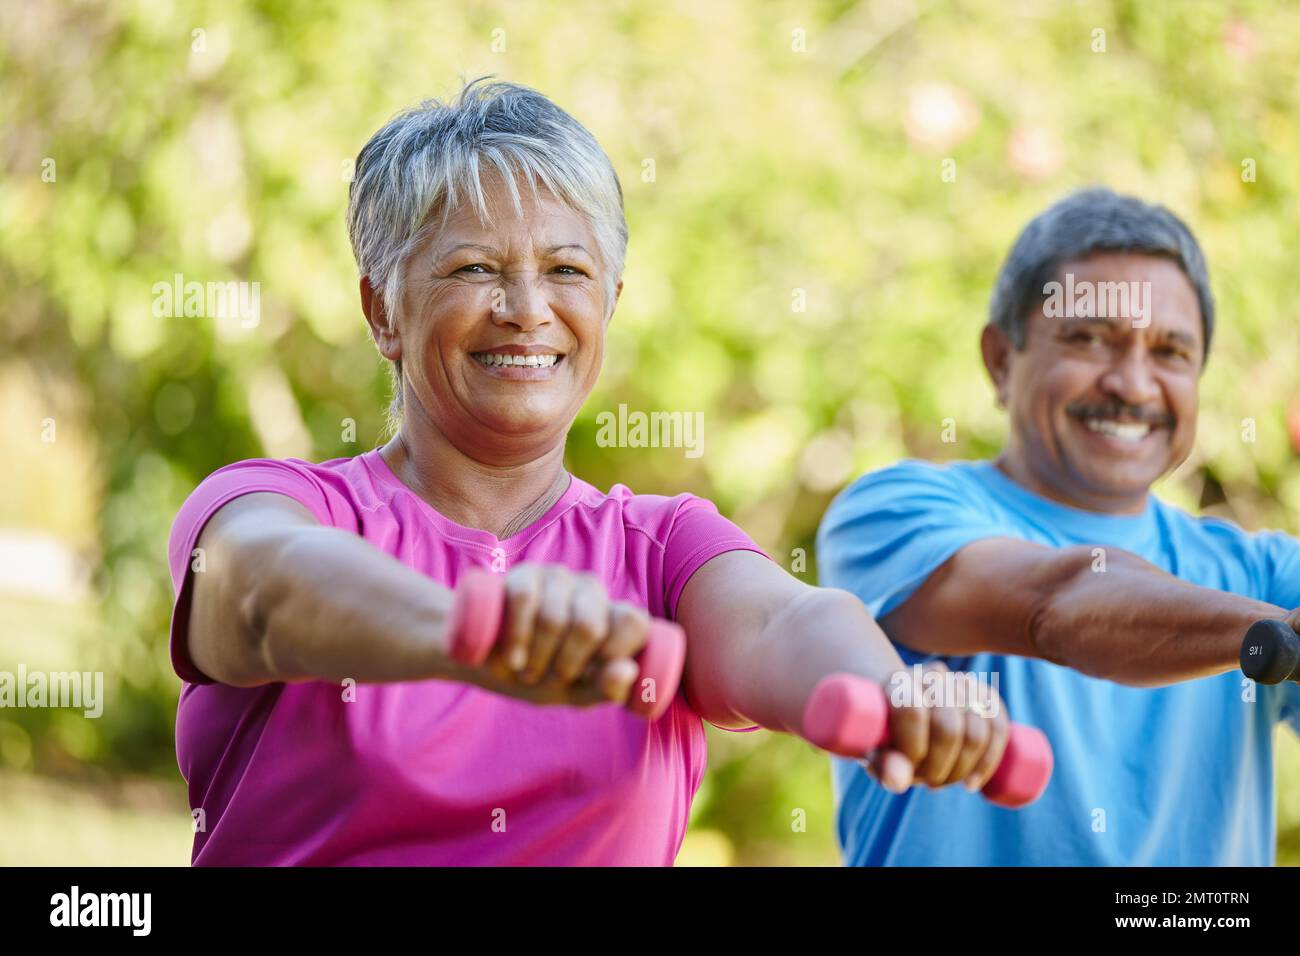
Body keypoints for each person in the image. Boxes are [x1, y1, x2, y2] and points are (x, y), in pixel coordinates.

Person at [166, 78, 1008, 866]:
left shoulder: (663, 547)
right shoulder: (277, 506)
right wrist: (477, 631)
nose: (527, 308)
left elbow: (782, 627)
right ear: (383, 309)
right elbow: (270, 592)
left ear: (607, 302)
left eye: (566, 270)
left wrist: (894, 693)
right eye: (474, 269)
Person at [818, 187, 1300, 865]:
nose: (1133, 385)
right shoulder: (895, 512)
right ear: (999, 359)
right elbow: (1058, 604)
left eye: (1169, 352)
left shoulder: (1263, 573)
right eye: (1090, 339)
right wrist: (1275, 638)